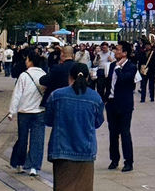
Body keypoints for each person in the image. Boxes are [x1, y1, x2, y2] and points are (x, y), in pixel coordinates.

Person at [45, 62, 104, 190]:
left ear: (69, 77)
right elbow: (98, 122)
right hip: (85, 151)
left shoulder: (56, 95)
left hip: (61, 151)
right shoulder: (95, 98)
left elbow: (48, 120)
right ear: (87, 78)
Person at [8, 48, 47, 177]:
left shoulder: (24, 75)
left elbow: (17, 94)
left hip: (24, 111)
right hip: (39, 111)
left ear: (30, 61)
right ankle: (34, 166)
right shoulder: (44, 75)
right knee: (37, 139)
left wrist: (11, 111)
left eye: (27, 59)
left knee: (23, 138)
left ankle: (20, 163)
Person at [104, 40, 137, 173]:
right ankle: (114, 159)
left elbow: (125, 79)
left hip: (124, 105)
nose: (115, 52)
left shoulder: (131, 67)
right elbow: (108, 83)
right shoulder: (112, 66)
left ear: (124, 53)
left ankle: (128, 161)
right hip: (111, 103)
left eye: (118, 50)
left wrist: (118, 68)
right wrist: (106, 99)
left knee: (125, 133)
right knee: (113, 133)